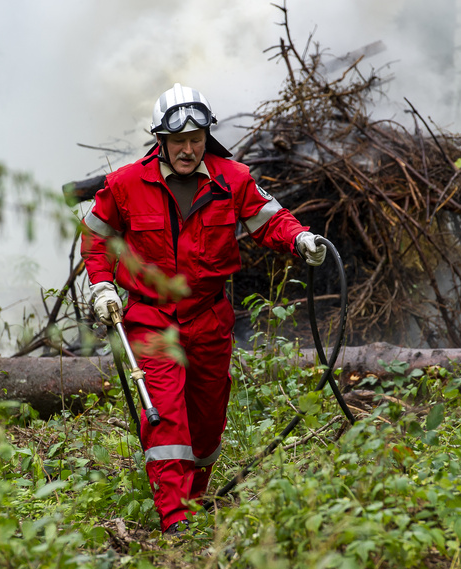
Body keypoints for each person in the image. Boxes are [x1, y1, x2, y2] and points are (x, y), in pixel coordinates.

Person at [80, 83, 327, 535]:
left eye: (196, 140)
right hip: (152, 317)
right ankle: (175, 520)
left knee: (209, 420)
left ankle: (196, 497)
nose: (188, 150)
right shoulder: (127, 184)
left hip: (209, 317)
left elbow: (269, 219)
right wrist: (101, 286)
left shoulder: (232, 178)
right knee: (165, 413)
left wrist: (299, 238)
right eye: (179, 142)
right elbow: (97, 236)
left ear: (206, 137)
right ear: (161, 141)